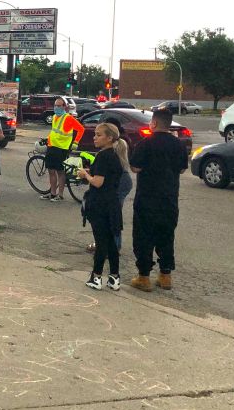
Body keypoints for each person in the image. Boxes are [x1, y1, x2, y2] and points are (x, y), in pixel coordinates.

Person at [129, 108, 189, 292]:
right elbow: (181, 169)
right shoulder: (179, 145)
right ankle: (165, 276)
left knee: (143, 237)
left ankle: (144, 277)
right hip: (169, 199)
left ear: (154, 123)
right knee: (166, 236)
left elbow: (135, 168)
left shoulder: (145, 143)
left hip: (147, 199)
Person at [77, 123, 126, 291]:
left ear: (109, 138)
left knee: (101, 241)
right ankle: (114, 277)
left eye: (99, 135)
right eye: (95, 134)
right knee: (111, 241)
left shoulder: (104, 156)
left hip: (100, 204)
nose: (94, 137)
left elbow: (98, 182)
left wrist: (85, 174)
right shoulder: (115, 155)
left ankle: (96, 276)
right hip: (112, 202)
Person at [41, 97, 84, 202]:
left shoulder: (68, 118)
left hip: (62, 148)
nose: (56, 108)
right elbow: (55, 132)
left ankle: (60, 195)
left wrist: (75, 142)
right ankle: (52, 193)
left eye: (59, 106)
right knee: (51, 170)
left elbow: (81, 129)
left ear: (64, 107)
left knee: (60, 172)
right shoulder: (55, 116)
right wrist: (48, 140)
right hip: (52, 147)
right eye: (55, 105)